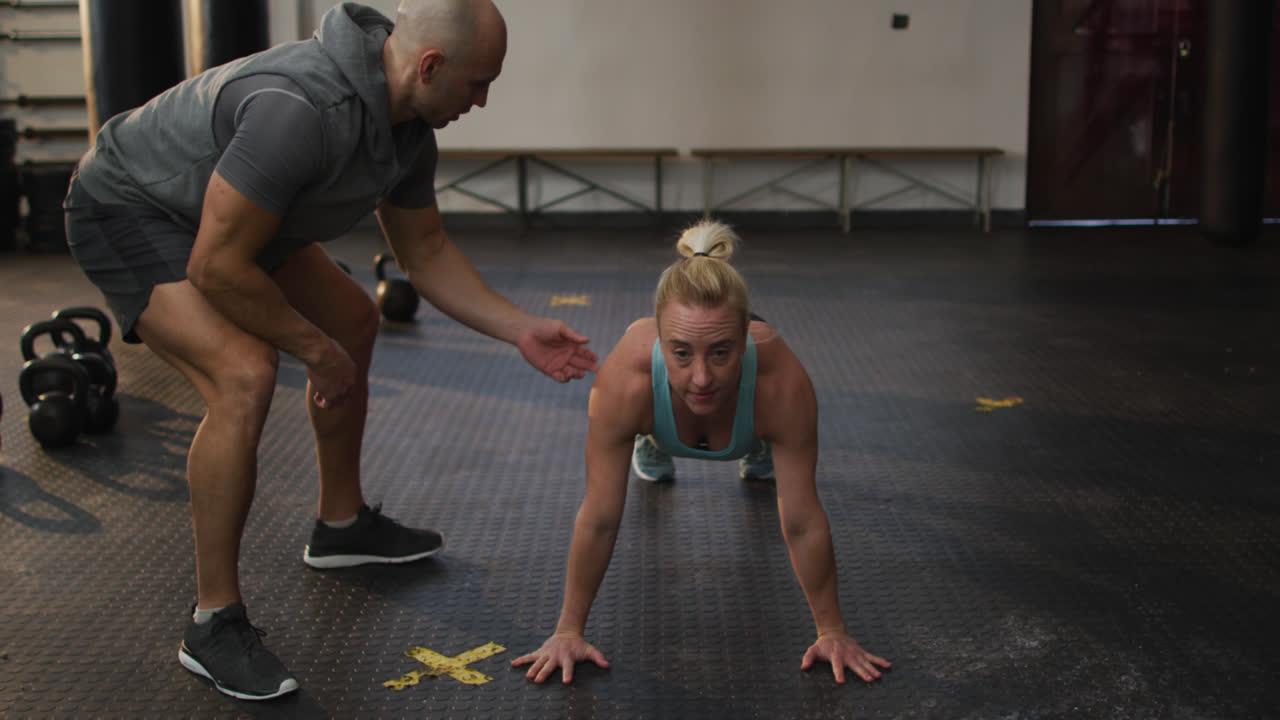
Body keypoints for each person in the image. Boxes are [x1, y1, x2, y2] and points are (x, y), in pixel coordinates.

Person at [62, 0, 598, 701]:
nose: (482, 100)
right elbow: (217, 267)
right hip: (132, 206)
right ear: (429, 66)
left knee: (354, 319)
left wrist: (519, 328)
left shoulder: (409, 130)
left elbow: (426, 251)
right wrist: (312, 351)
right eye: (476, 84)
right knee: (245, 375)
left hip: (232, 218)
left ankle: (341, 526)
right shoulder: (302, 111)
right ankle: (213, 622)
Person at [512, 220, 892, 686]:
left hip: (749, 414)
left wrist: (832, 630)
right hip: (657, 411)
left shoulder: (783, 384)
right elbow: (599, 516)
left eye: (720, 352)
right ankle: (653, 441)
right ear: (659, 342)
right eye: (681, 353)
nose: (701, 377)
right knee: (667, 414)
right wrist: (568, 630)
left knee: (750, 433)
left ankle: (755, 446)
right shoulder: (624, 379)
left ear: (746, 337)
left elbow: (802, 520)